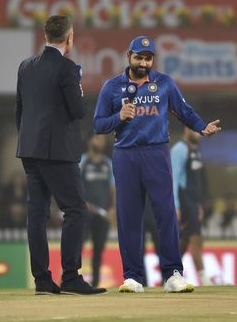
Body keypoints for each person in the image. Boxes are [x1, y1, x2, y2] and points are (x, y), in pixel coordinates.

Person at [93, 35, 221, 293]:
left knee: (166, 214)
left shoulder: (164, 84)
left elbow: (184, 111)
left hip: (156, 152)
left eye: (148, 58)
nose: (143, 62)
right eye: (138, 57)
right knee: (129, 217)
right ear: (128, 56)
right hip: (125, 154)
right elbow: (98, 125)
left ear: (153, 59)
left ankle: (173, 274)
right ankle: (132, 277)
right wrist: (119, 116)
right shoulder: (112, 87)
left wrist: (202, 127)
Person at [16, 15, 106, 295]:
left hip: (29, 150)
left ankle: (42, 280)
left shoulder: (25, 66)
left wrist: (27, 140)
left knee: (37, 215)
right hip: (57, 152)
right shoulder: (68, 69)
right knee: (75, 210)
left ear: (45, 35)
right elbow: (78, 111)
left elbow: (19, 109)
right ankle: (70, 278)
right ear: (69, 38)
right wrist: (79, 91)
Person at [171, 127, 213, 286]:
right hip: (184, 200)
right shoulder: (179, 150)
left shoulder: (195, 150)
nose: (199, 134)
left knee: (186, 239)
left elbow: (197, 181)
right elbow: (173, 178)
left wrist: (199, 204)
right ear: (186, 129)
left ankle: (171, 273)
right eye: (196, 130)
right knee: (196, 237)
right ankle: (204, 279)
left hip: (194, 202)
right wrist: (176, 204)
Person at [79, 134, 115, 288]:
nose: (100, 142)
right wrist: (81, 202)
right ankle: (71, 278)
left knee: (98, 249)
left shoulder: (108, 164)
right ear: (89, 141)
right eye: (97, 138)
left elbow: (113, 187)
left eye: (102, 140)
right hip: (84, 213)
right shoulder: (82, 161)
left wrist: (113, 208)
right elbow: (74, 183)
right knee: (78, 246)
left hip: (103, 214)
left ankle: (94, 283)